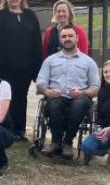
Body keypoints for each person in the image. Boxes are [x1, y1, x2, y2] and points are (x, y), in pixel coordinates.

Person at [35, 25, 100, 159]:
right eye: (64, 36)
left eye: (70, 36)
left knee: (79, 104)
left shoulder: (89, 62)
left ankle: (68, 143)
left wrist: (83, 92)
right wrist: (47, 91)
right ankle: (56, 142)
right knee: (54, 103)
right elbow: (40, 82)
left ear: (77, 38)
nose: (67, 39)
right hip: (56, 97)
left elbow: (96, 87)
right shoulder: (50, 60)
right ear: (60, 39)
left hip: (79, 98)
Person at [0, 0, 42, 141]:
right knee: (7, 97)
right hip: (5, 66)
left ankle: (20, 129)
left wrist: (37, 68)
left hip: (26, 67)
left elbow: (37, 41)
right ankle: (7, 129)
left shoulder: (30, 15)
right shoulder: (0, 16)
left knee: (22, 97)